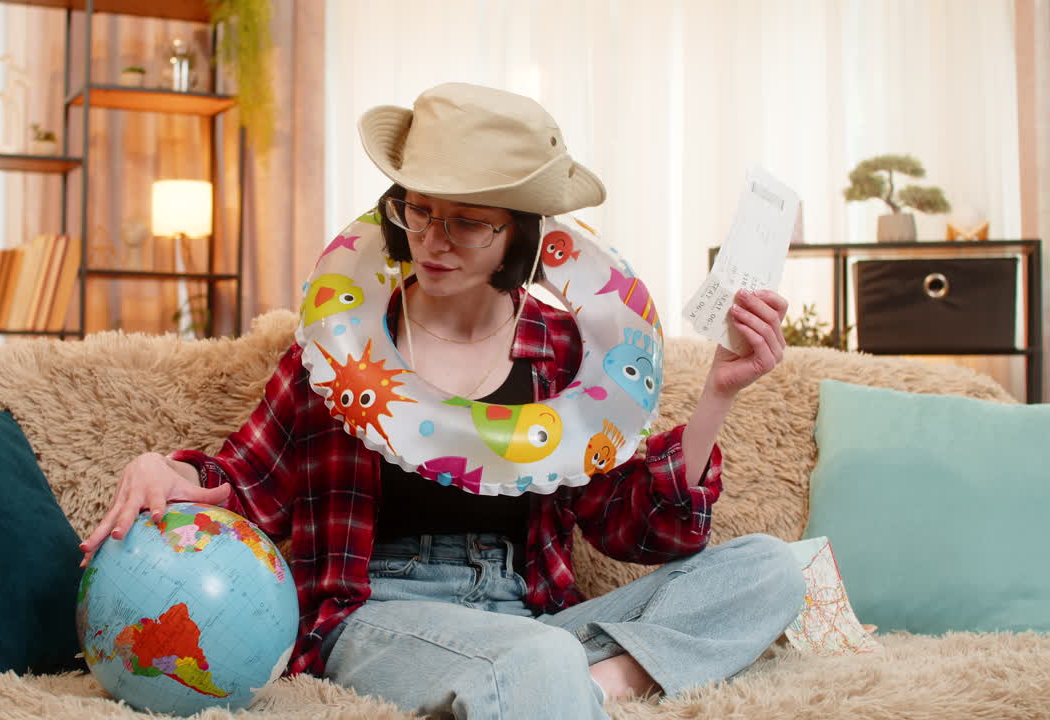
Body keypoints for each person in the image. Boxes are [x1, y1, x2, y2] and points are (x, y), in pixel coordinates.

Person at [80, 83, 805, 718]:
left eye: (466, 221)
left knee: (770, 569)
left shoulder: (560, 350)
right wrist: (166, 471)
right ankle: (552, 684)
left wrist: (718, 393)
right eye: (418, 211)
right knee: (535, 662)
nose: (433, 240)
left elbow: (634, 530)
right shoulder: (341, 345)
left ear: (518, 237)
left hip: (529, 614)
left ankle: (594, 683)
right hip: (377, 613)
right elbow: (249, 481)